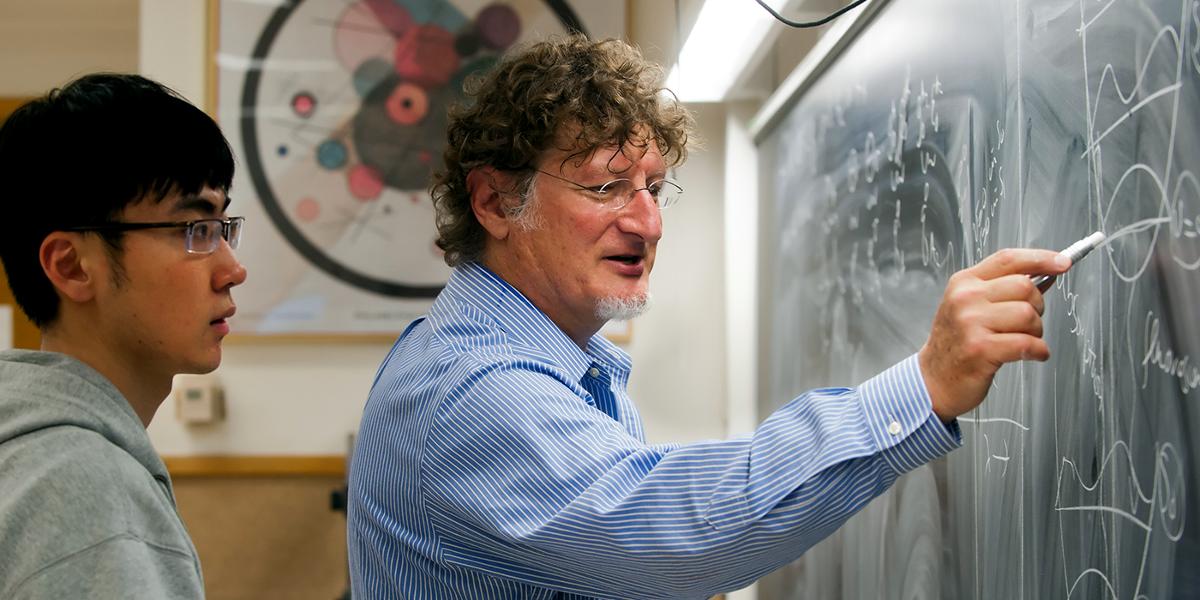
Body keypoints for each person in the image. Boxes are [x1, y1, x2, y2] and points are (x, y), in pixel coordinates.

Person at [347, 35, 1070, 598]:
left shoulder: (558, 365)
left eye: (656, 188)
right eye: (606, 186)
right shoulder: (472, 390)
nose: (649, 223)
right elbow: (675, 524)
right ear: (495, 202)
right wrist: (926, 383)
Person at [0, 73, 247, 598]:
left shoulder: (31, 452)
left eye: (223, 226)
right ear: (71, 266)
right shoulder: (83, 491)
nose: (232, 268)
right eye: (195, 230)